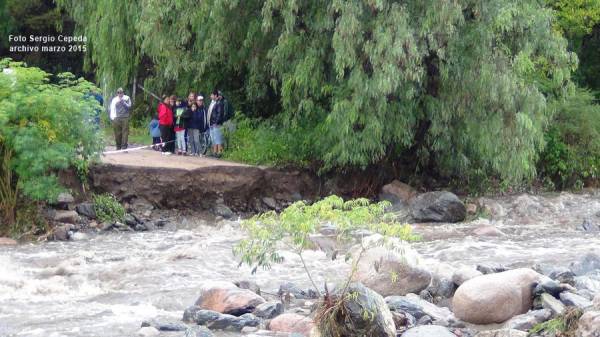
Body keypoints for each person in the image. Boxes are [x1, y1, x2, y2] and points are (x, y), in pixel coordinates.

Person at [207, 89, 225, 157]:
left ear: (215, 95)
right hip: (212, 124)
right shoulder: (215, 102)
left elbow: (219, 114)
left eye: (211, 95)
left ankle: (219, 152)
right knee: (214, 138)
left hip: (216, 124)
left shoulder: (219, 103)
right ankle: (215, 152)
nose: (210, 96)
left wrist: (216, 122)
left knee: (218, 138)